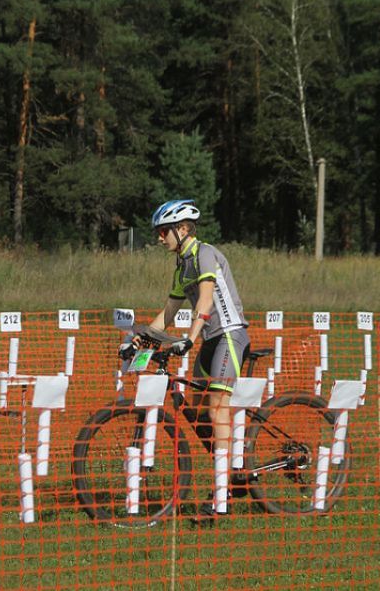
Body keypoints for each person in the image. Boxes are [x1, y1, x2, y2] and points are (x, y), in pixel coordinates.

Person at [121, 199, 250, 523]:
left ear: (183, 229)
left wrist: (190, 337)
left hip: (229, 336)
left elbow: (205, 300)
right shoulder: (182, 265)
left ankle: (222, 496)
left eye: (163, 232)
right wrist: (139, 339)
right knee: (194, 410)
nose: (159, 238)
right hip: (209, 339)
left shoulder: (204, 254)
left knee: (216, 408)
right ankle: (234, 469)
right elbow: (167, 312)